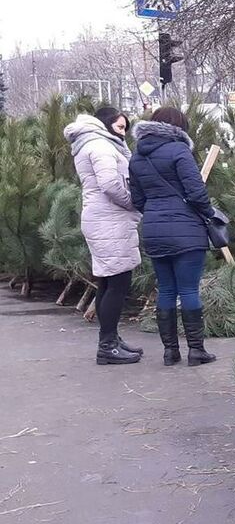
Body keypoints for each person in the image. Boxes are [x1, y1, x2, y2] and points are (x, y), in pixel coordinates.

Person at [129, 107, 216, 367]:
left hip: (154, 229)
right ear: (179, 126)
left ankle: (170, 352)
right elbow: (197, 192)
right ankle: (196, 351)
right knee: (188, 289)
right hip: (186, 229)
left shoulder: (136, 157)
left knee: (166, 289)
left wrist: (157, 212)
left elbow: (137, 200)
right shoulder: (179, 150)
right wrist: (209, 214)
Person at [64, 108, 144, 365]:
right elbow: (110, 184)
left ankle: (110, 339)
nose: (123, 133)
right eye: (120, 128)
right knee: (117, 282)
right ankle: (107, 345)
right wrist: (134, 203)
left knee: (108, 282)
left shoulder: (95, 142)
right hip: (109, 220)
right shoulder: (100, 145)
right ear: (106, 124)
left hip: (105, 219)